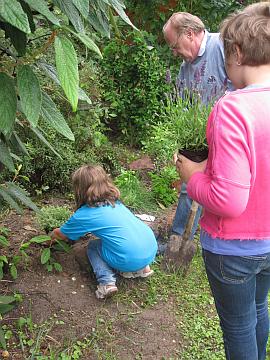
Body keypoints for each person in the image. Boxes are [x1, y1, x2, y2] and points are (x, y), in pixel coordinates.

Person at [177, 3, 270, 359]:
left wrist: (193, 178)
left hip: (234, 250)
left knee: (238, 327)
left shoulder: (232, 108)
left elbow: (229, 201)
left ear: (237, 53)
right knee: (259, 309)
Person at [163, 12, 232, 241]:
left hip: (229, 133)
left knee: (227, 185)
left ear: (190, 34)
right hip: (199, 138)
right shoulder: (185, 68)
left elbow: (241, 88)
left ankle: (224, 235)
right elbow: (185, 107)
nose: (174, 52)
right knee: (190, 185)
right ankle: (179, 237)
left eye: (174, 46)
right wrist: (180, 141)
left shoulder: (222, 46)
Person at [51, 164, 157, 299]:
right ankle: (142, 269)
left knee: (93, 247)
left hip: (130, 257)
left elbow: (61, 234)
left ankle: (107, 282)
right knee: (118, 241)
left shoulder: (84, 214)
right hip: (150, 249)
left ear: (80, 189)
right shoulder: (115, 203)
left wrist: (48, 238)